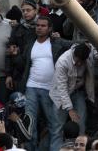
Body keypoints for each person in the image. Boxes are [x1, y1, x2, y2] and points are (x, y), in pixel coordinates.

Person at [20, 16, 72, 151]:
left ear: (49, 29)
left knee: (54, 124)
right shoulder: (30, 44)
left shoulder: (56, 42)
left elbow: (74, 45)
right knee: (30, 122)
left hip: (50, 89)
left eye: (43, 26)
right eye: (37, 25)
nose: (39, 28)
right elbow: (23, 64)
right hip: (31, 87)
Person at [49, 42, 95, 134]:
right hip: (60, 95)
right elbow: (62, 88)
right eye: (76, 61)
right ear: (74, 54)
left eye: (81, 62)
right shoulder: (63, 62)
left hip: (77, 91)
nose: (78, 64)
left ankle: (79, 145)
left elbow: (96, 51)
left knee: (81, 123)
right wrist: (69, 109)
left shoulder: (89, 54)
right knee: (58, 128)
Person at [5, 0, 39, 91]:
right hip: (20, 74)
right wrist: (8, 75)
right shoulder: (17, 28)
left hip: (37, 72)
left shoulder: (41, 26)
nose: (25, 13)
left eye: (28, 10)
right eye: (23, 10)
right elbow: (9, 52)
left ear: (35, 10)